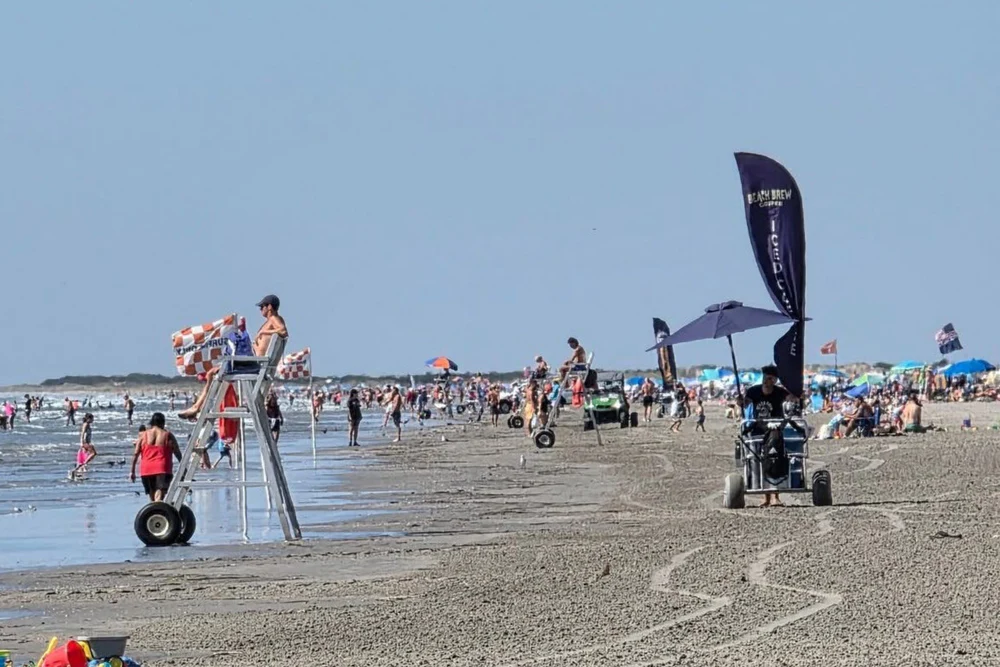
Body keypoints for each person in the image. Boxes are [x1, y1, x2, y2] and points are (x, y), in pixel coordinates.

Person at [178, 297, 288, 420]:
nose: (260, 309)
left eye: (262, 306)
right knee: (213, 372)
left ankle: (198, 407)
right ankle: (198, 406)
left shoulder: (274, 319)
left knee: (211, 373)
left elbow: (283, 331)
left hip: (254, 365)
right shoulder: (271, 321)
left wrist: (263, 333)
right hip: (256, 364)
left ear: (270, 307)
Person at [743, 365, 790, 507]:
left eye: (769, 378)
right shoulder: (754, 391)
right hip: (757, 430)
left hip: (775, 430)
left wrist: (797, 396)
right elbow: (744, 403)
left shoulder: (780, 392)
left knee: (774, 459)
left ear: (775, 380)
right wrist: (740, 401)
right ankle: (766, 497)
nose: (766, 381)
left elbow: (792, 399)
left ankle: (775, 496)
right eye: (764, 377)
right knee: (759, 461)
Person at [129, 412, 183, 502]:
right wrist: (183, 465)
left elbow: (136, 454)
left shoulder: (143, 436)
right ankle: (159, 513)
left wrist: (132, 471)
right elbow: (177, 451)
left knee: (152, 496)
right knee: (159, 493)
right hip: (162, 468)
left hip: (146, 469)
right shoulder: (167, 435)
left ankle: (155, 513)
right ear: (163, 423)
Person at [71, 413, 97, 479]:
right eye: (92, 419)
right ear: (88, 419)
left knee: (87, 455)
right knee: (93, 453)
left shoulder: (87, 425)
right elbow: (82, 433)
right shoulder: (85, 424)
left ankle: (79, 468)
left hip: (87, 442)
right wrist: (82, 443)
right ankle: (84, 464)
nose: (93, 420)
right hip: (85, 442)